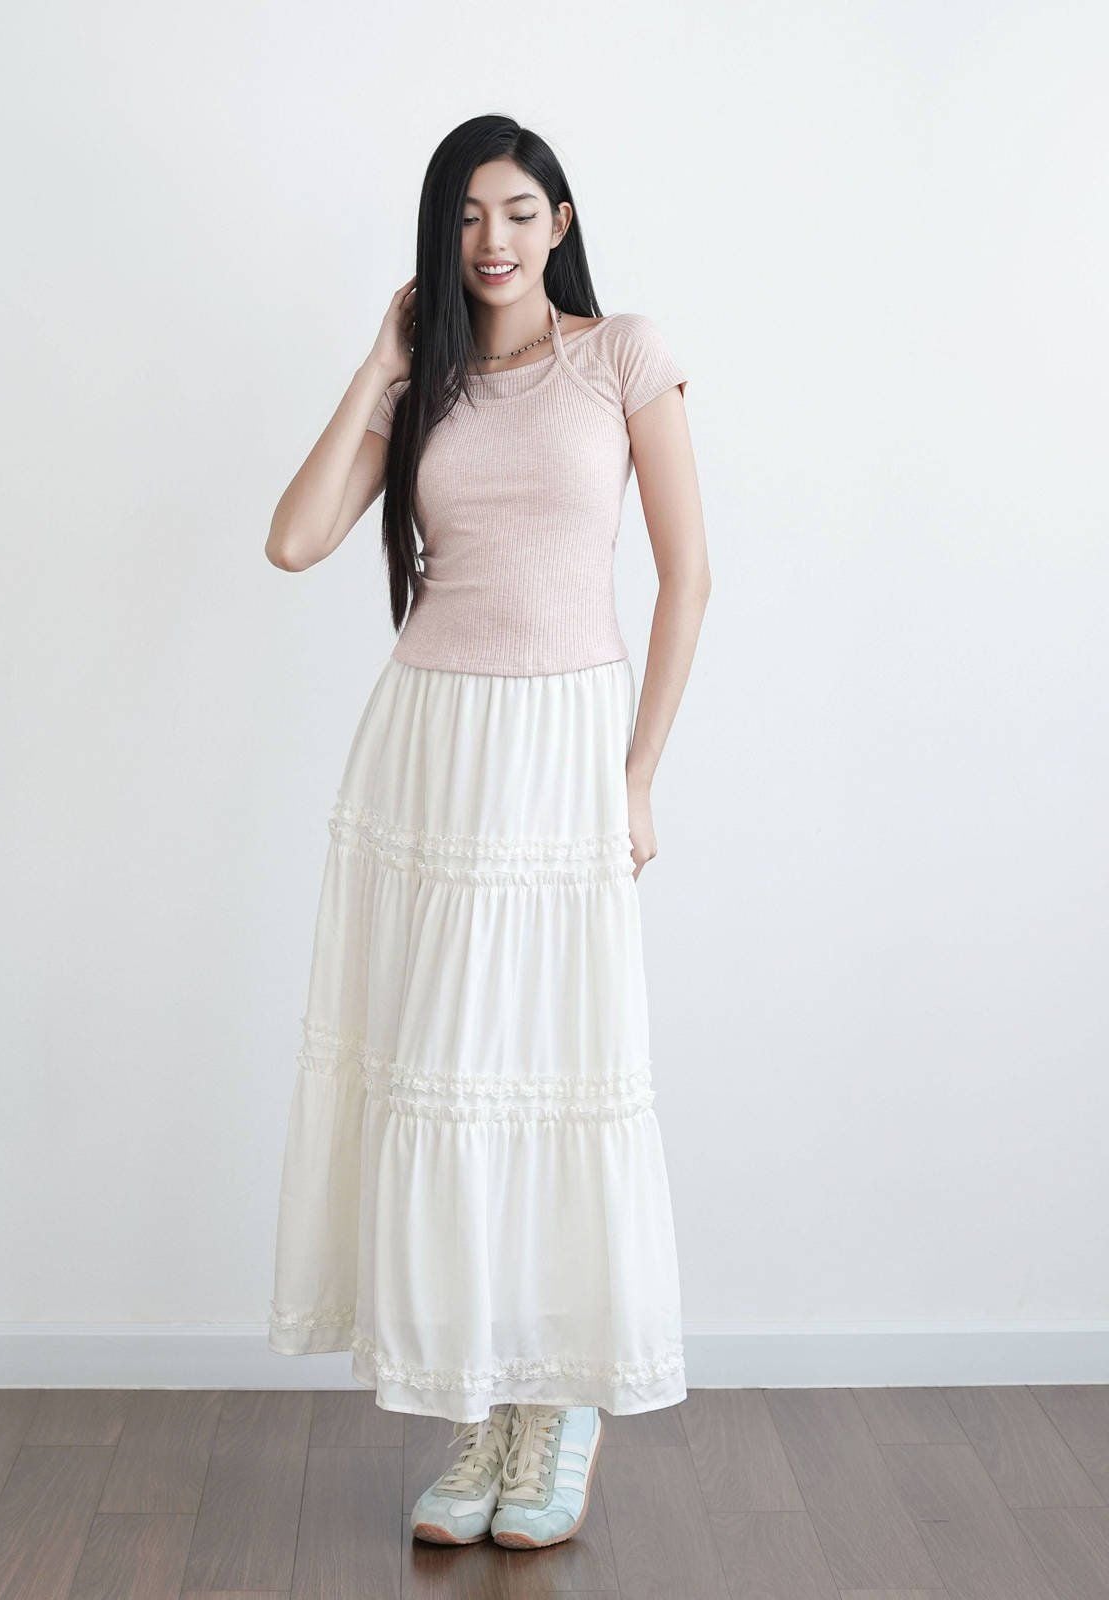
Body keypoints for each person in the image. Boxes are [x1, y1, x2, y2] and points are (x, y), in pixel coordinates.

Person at [264, 113, 711, 1551]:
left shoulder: (621, 354)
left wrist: (637, 775)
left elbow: (690, 577)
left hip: (564, 746)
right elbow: (294, 539)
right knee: (447, 1073)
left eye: (518, 211)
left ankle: (558, 1404)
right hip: (433, 749)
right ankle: (479, 1404)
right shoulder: (431, 384)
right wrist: (382, 366)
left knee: (559, 1066)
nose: (492, 239)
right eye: (465, 216)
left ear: (560, 222)